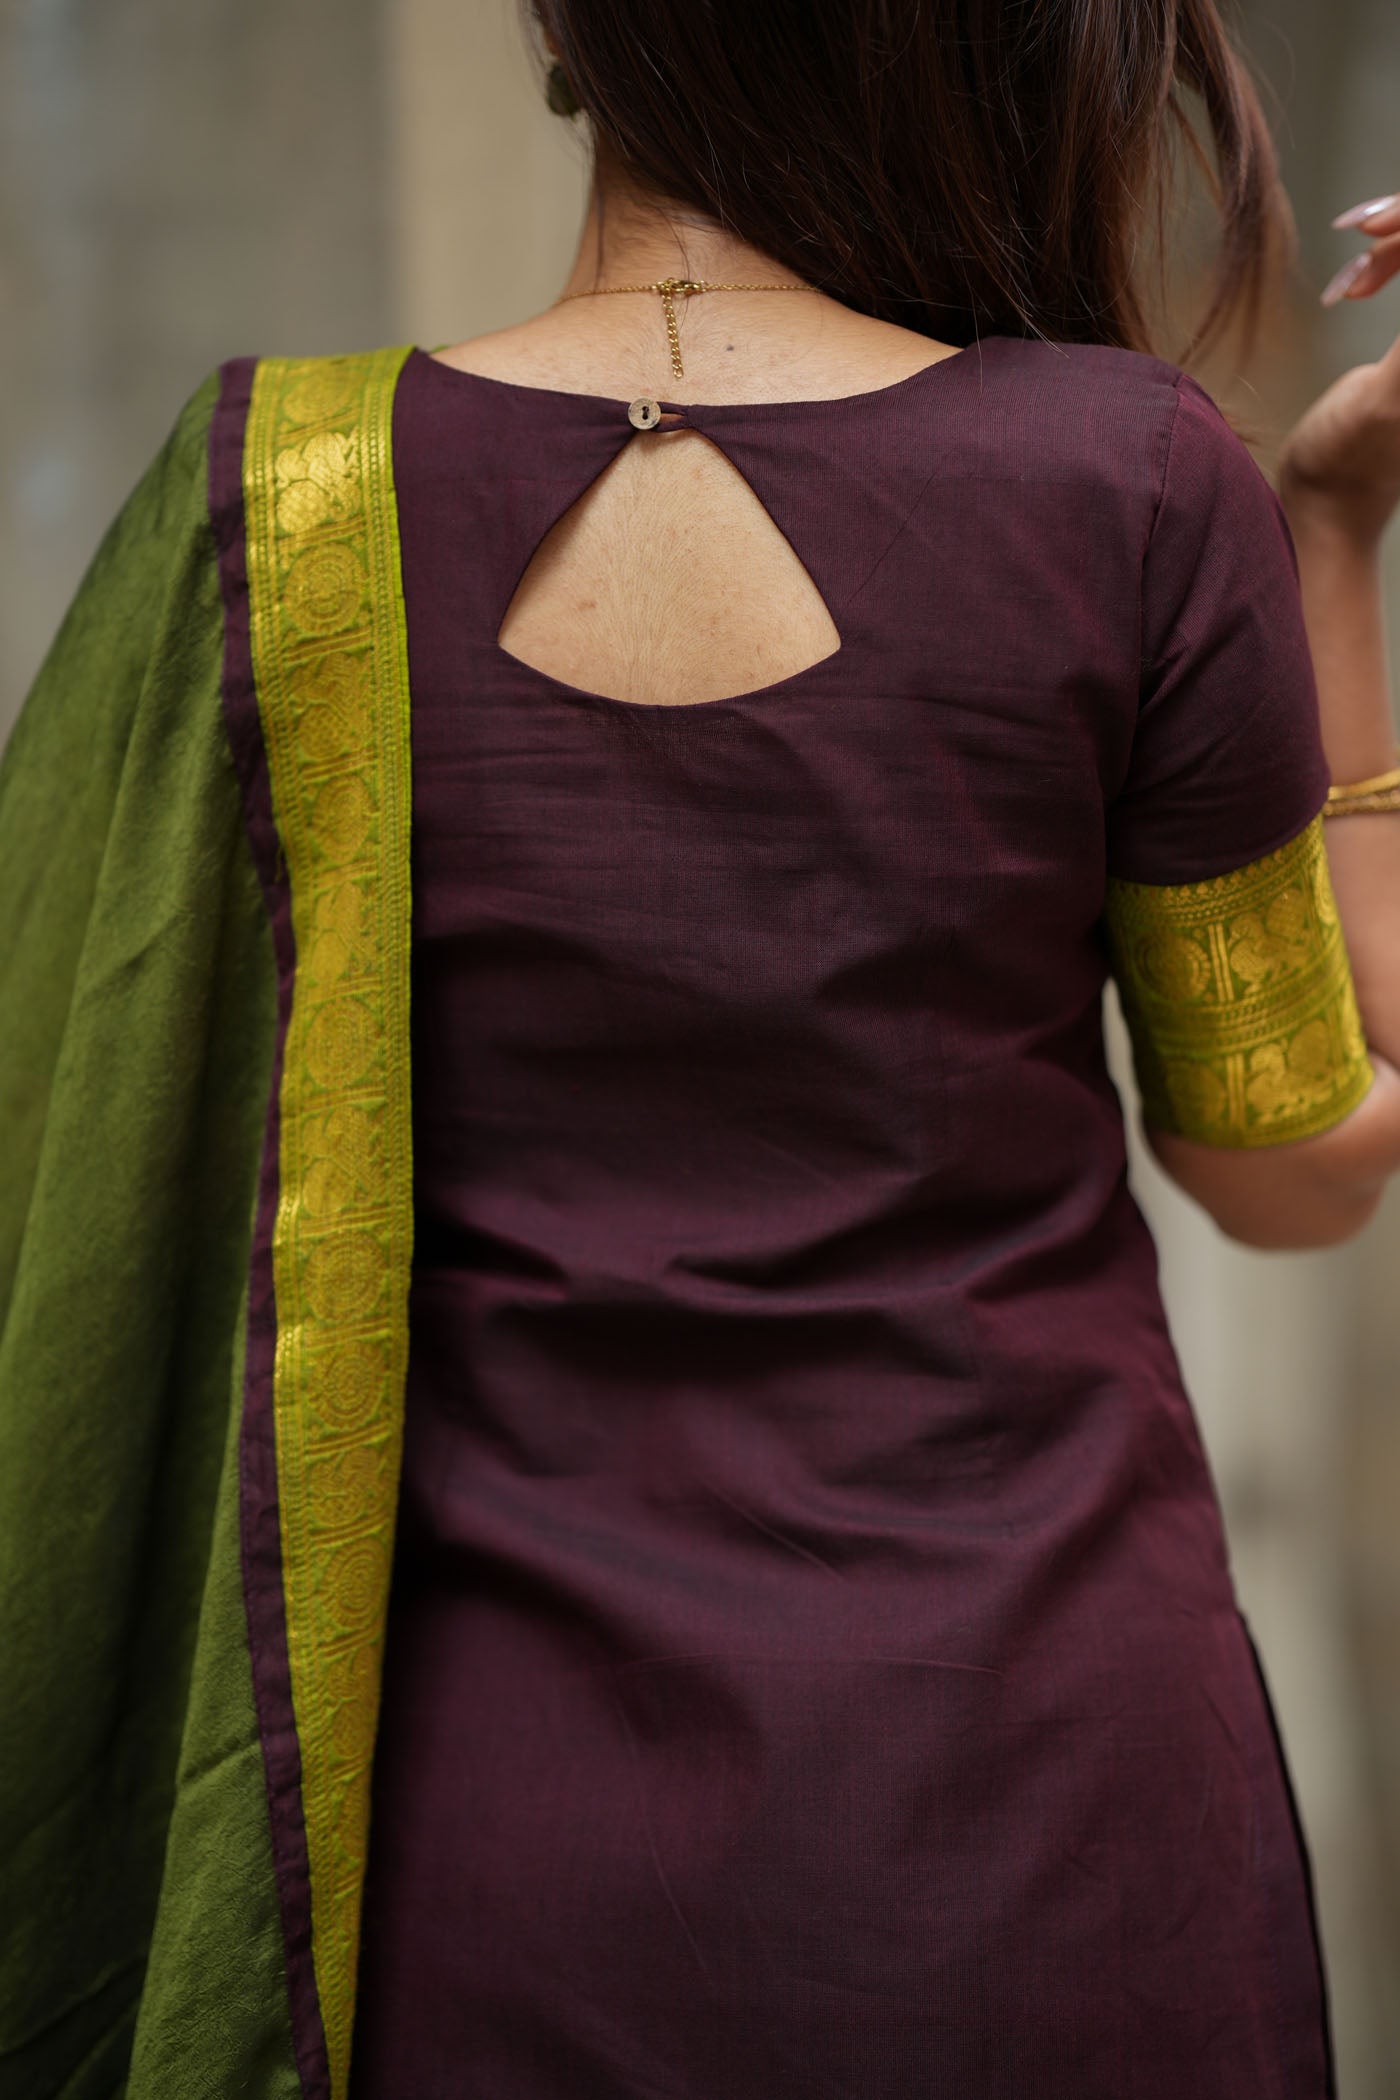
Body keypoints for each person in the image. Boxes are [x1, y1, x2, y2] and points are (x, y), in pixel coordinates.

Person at [3, 2, 1400, 2094]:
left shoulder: (269, 497)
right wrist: (1333, 532)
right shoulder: (1128, 481)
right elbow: (1296, 1169)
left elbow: (75, 1177)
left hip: (471, 1843)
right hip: (1040, 1822)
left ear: (567, 35)